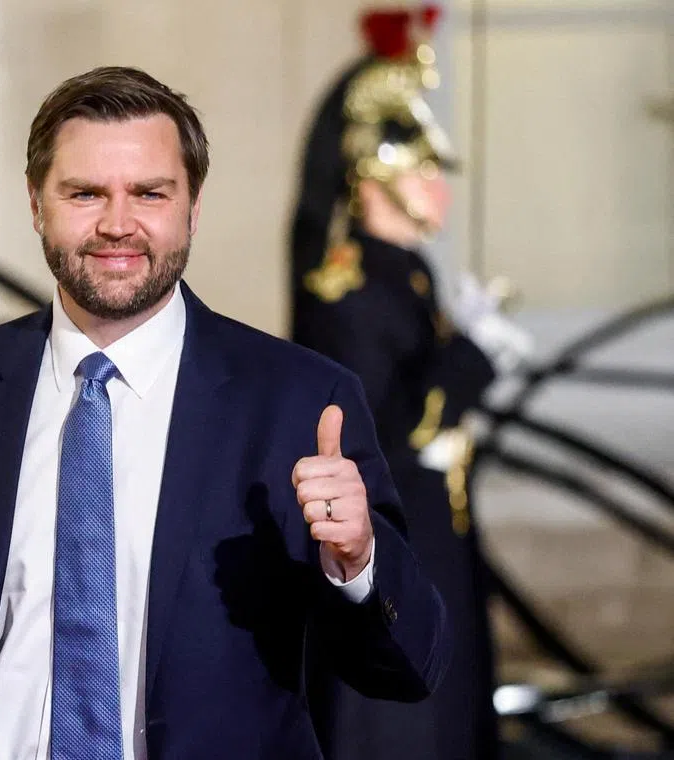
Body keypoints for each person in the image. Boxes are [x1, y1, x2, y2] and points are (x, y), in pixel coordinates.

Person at [0, 65, 450, 760]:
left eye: (149, 193)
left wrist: (359, 560)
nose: (117, 224)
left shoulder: (299, 401)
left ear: (192, 207)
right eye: (85, 193)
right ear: (36, 203)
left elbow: (407, 668)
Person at [288, 7, 534, 760]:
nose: (438, 186)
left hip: (436, 523)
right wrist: (473, 358)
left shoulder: (408, 274)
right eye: (423, 169)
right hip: (393, 526)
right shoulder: (348, 288)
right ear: (377, 174)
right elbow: (393, 428)